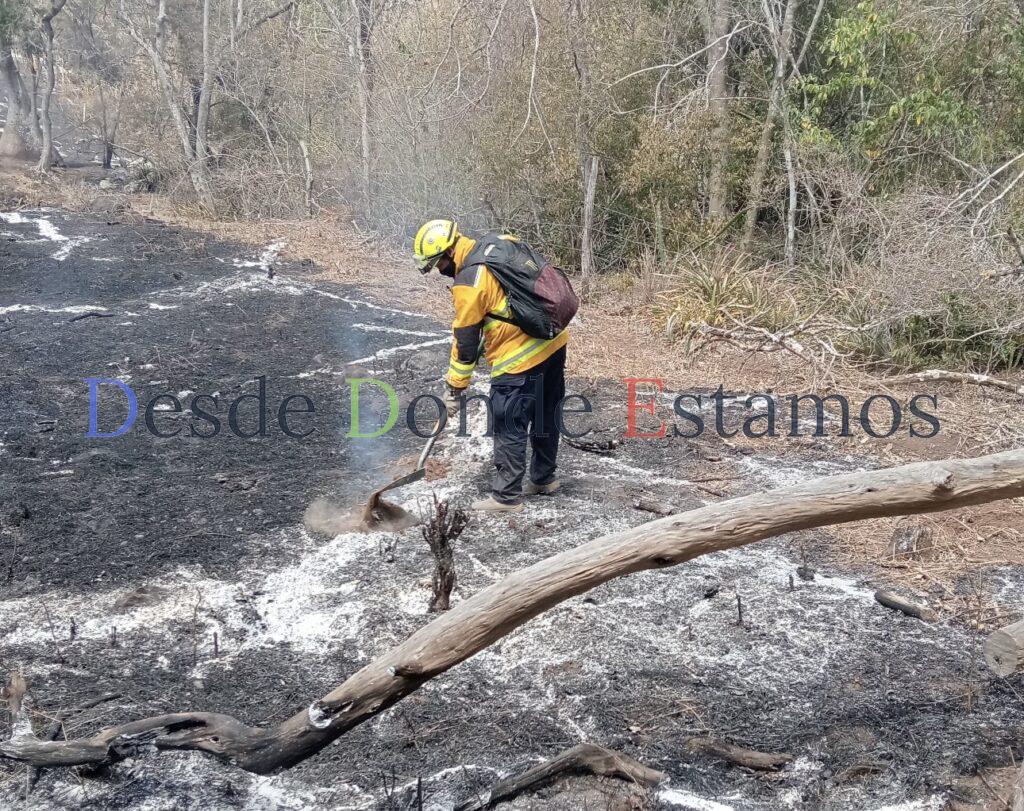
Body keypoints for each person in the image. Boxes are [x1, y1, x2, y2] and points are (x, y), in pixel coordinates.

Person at [413, 218, 570, 513]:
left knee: (508, 421)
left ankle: (506, 497)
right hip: (553, 340)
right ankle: (543, 479)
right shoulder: (499, 241)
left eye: (436, 264)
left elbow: (466, 341)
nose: (439, 270)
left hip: (519, 357)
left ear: (447, 254)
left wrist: (454, 388)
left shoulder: (468, 281)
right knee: (545, 412)